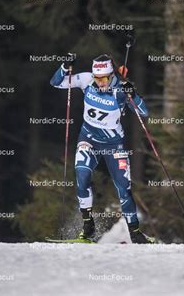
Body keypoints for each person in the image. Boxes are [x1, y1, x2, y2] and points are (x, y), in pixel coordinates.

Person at [49, 54, 155, 243]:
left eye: (104, 78)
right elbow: (56, 83)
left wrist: (133, 94)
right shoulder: (87, 80)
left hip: (114, 144)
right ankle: (88, 226)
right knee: (82, 176)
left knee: (124, 188)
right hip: (88, 139)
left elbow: (144, 112)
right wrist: (65, 67)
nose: (100, 83)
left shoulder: (120, 89)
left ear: (111, 75)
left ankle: (135, 233)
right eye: (97, 79)